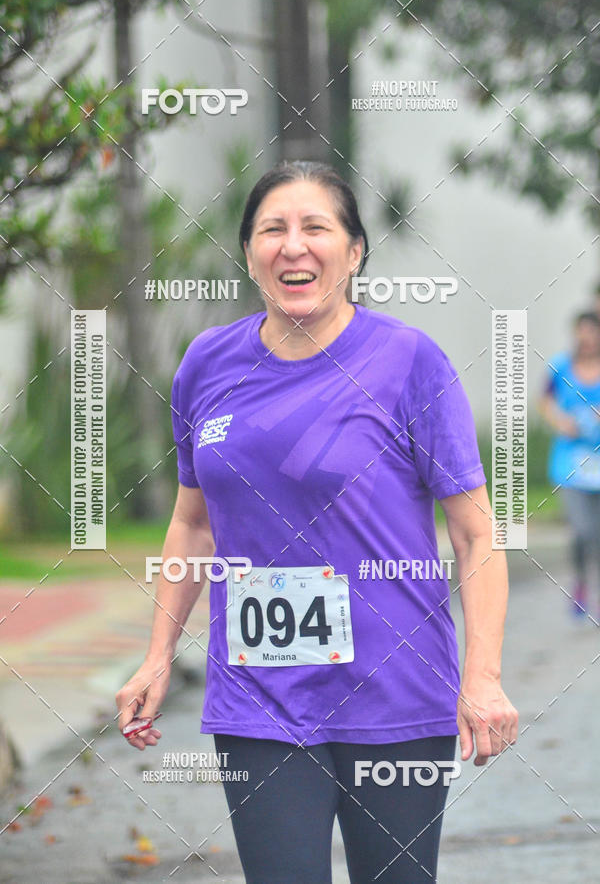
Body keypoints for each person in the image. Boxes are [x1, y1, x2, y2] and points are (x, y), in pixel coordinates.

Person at [116, 161, 518, 884]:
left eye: (315, 228)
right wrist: (156, 656)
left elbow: (475, 533)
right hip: (257, 695)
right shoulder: (207, 363)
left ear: (355, 251)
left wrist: (482, 678)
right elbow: (193, 523)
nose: (292, 245)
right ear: (249, 254)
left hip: (395, 692)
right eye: (273, 229)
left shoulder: (408, 362)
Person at [538, 311, 600, 619]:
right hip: (571, 464)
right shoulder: (561, 366)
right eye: (582, 333)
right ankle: (580, 583)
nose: (587, 339)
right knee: (581, 531)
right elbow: (544, 400)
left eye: (592, 333)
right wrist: (560, 422)